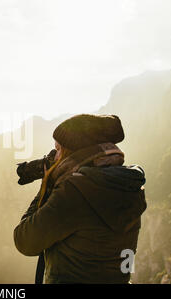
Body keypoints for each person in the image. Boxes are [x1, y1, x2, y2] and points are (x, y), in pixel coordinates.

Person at [13, 114, 147, 284]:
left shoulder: (75, 193)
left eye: (59, 149)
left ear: (76, 153)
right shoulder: (129, 186)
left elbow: (24, 240)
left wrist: (45, 187)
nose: (55, 157)